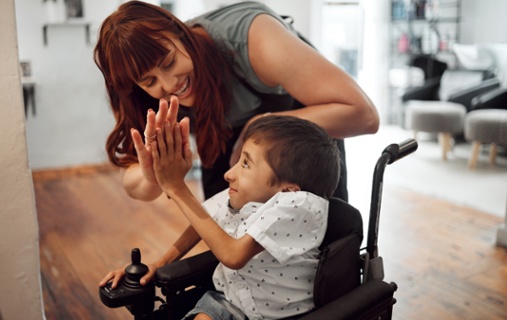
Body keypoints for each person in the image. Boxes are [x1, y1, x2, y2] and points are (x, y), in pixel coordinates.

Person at [93, 0, 379, 202]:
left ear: (181, 31)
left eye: (169, 63)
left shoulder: (253, 38)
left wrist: (263, 124)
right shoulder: (143, 96)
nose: (169, 86)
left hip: (302, 128)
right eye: (149, 81)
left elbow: (364, 115)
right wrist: (152, 173)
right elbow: (134, 185)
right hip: (224, 136)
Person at [100, 113, 341, 320]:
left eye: (245, 164)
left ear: (288, 189)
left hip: (286, 314)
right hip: (230, 302)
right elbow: (203, 218)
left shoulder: (301, 205)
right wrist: (158, 264)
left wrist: (176, 187)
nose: (228, 174)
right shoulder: (244, 195)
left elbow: (233, 256)